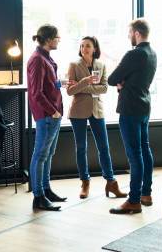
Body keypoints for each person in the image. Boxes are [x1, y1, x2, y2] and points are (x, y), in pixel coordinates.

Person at [66, 36, 126, 199]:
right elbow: (70, 90)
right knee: (81, 148)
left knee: (104, 147)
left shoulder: (101, 65)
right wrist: (86, 82)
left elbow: (105, 88)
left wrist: (84, 87)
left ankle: (111, 182)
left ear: (95, 49)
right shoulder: (74, 65)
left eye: (88, 46)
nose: (84, 48)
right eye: (82, 46)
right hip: (78, 111)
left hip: (97, 110)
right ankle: (85, 182)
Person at [107, 19, 157, 215]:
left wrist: (122, 83)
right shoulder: (152, 53)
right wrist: (125, 82)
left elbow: (112, 79)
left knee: (134, 155)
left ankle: (134, 200)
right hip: (144, 107)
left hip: (130, 109)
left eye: (129, 33)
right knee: (145, 150)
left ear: (137, 33)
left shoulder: (134, 53)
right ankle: (146, 193)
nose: (128, 36)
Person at [27, 24, 68, 211]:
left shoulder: (45, 58)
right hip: (47, 115)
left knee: (48, 154)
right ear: (49, 39)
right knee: (40, 155)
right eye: (57, 37)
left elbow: (47, 85)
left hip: (53, 114)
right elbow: (36, 92)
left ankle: (46, 189)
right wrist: (53, 111)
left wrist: (60, 83)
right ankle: (39, 196)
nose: (59, 40)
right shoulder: (37, 60)